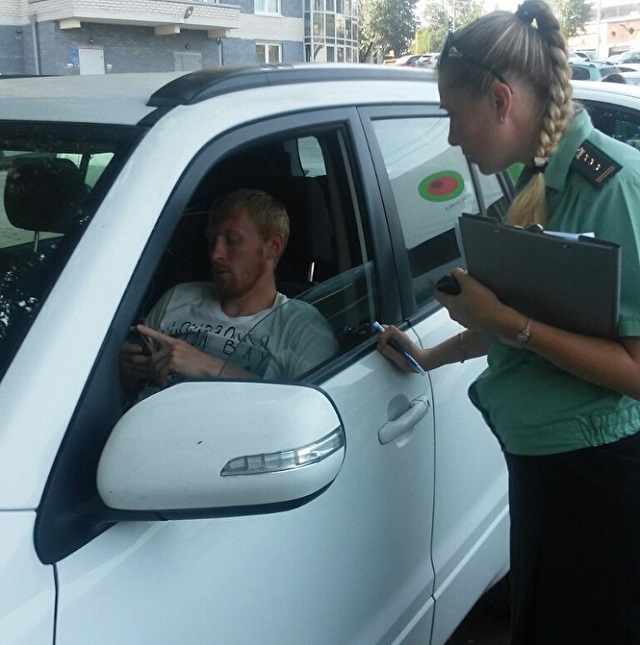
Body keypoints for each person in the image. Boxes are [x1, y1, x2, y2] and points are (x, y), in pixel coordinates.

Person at [377, 2, 640, 643]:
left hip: (598, 473)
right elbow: (531, 321)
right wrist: (428, 354)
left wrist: (511, 322)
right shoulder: (535, 182)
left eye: (452, 114)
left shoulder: (614, 189)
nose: (450, 137)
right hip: (544, 464)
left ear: (500, 100)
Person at [121, 188, 337, 397]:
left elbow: (308, 409)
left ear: (273, 246)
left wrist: (207, 366)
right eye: (211, 242)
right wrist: (129, 369)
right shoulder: (178, 298)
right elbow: (128, 390)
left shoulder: (301, 327)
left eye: (232, 241)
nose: (216, 254)